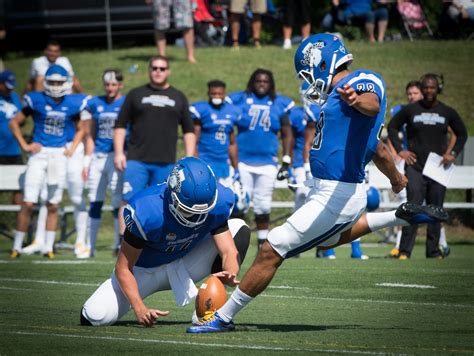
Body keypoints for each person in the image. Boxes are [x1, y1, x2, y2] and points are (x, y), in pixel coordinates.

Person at [187, 34, 448, 333]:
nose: (311, 81)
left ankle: (224, 317)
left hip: (337, 191)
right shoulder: (338, 99)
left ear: (322, 62)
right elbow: (374, 147)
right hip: (331, 190)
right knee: (324, 241)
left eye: (309, 73)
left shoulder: (361, 80)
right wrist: (396, 178)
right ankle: (398, 216)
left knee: (273, 247)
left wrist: (357, 99)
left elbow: (372, 102)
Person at [80, 157, 250, 327]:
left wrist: (230, 272)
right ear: (173, 195)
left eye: (203, 211)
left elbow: (228, 251)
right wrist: (140, 309)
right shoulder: (147, 210)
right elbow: (123, 268)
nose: (197, 218)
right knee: (94, 315)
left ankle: (209, 309)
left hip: (186, 264)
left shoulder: (218, 201)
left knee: (239, 227)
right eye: (188, 211)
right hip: (144, 272)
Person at [8, 65, 87, 258]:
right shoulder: (35, 99)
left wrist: (73, 147)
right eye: (52, 82)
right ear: (46, 82)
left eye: (59, 82)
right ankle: (16, 247)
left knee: (53, 203)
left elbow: (82, 128)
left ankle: (49, 247)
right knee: (28, 202)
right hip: (40, 153)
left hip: (59, 155)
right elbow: (14, 123)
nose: (55, 85)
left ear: (66, 83)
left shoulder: (72, 102)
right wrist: (25, 146)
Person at [114, 55, 195, 242]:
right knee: (128, 201)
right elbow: (120, 125)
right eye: (155, 68)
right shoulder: (135, 94)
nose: (158, 72)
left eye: (162, 68)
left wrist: (189, 157)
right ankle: (123, 243)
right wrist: (119, 152)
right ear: (149, 70)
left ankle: (157, 242)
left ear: (168, 71)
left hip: (166, 162)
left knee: (165, 204)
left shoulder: (178, 97)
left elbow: (189, 130)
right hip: (136, 160)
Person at [388, 73, 467, 259]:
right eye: (426, 87)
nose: (429, 90)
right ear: (422, 89)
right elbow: (392, 127)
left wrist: (452, 153)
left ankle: (433, 251)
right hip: (415, 166)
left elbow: (461, 134)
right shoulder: (410, 110)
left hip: (437, 168)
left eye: (432, 87)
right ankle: (404, 251)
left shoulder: (447, 112)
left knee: (435, 210)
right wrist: (401, 151)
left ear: (438, 89)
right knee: (412, 207)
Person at [227, 68, 294, 248]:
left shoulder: (279, 103)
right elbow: (225, 123)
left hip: (267, 162)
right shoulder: (239, 100)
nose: (262, 84)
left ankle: (262, 243)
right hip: (242, 162)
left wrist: (286, 160)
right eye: (258, 81)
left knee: (263, 205)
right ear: (252, 82)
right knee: (240, 204)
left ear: (270, 84)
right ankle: (234, 242)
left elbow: (287, 133)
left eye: (265, 81)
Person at [77, 69, 127, 258]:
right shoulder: (94, 103)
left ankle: (118, 244)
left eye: (114, 84)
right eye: (107, 84)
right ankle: (90, 246)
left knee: (117, 201)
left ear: (120, 85)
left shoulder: (126, 102)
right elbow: (90, 136)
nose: (110, 88)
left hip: (118, 155)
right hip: (98, 156)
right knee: (95, 200)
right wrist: (86, 161)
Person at [190, 79, 241, 186]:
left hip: (223, 163)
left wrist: (236, 167)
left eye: (219, 94)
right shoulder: (203, 110)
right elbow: (194, 141)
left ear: (224, 94)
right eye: (213, 93)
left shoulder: (232, 111)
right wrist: (196, 165)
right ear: (208, 93)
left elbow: (232, 143)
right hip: (205, 161)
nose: (216, 96)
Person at [0, 70, 23, 205]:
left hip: (14, 150)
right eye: (7, 86)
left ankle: (21, 221)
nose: (10, 89)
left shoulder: (14, 97)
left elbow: (21, 118)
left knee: (20, 187)